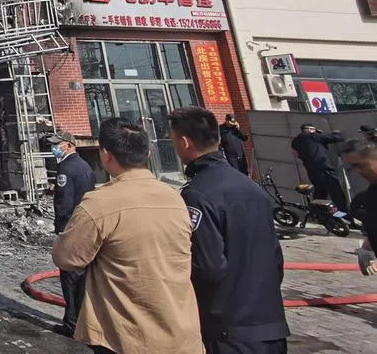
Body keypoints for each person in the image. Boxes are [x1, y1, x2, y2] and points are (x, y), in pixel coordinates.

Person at [53, 118, 202, 354]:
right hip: (181, 332)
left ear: (106, 154)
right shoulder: (174, 198)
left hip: (125, 336)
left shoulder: (100, 203)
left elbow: (66, 257)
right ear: (147, 152)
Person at [170, 107, 288, 354]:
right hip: (270, 325)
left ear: (183, 142)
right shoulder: (251, 187)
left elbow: (208, 266)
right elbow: (276, 257)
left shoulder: (198, 194)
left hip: (229, 330)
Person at [46, 130, 95, 339]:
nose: (54, 148)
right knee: (82, 278)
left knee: (69, 277)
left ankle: (72, 323)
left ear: (69, 145)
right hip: (85, 227)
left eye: (57, 144)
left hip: (71, 228)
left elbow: (64, 203)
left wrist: (62, 231)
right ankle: (83, 321)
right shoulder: (85, 166)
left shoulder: (66, 168)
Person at [290, 123, 349, 217]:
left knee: (320, 194)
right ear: (310, 129)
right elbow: (337, 138)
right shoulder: (314, 136)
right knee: (337, 195)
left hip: (312, 171)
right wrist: (336, 133)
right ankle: (345, 218)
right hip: (324, 169)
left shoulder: (295, 141)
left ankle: (322, 217)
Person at [341, 138, 377, 275]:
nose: (358, 171)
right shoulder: (372, 192)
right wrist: (367, 249)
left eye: (361, 165)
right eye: (353, 167)